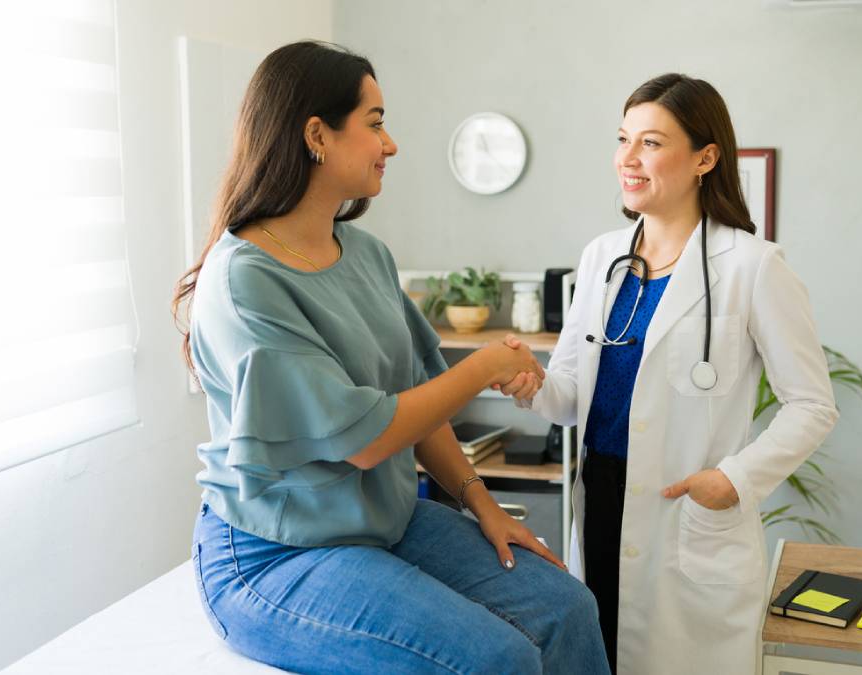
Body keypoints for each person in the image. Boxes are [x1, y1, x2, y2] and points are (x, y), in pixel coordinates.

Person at [171, 41, 610, 675]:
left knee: (567, 606)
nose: (391, 144)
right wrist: (485, 366)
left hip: (385, 522)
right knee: (496, 659)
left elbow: (418, 400)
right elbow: (367, 438)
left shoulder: (367, 255)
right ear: (317, 134)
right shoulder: (245, 279)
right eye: (375, 123)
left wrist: (484, 506)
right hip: (276, 553)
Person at [499, 73, 839, 674]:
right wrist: (532, 383)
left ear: (706, 157)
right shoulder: (602, 257)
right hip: (601, 502)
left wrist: (733, 479)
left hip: (686, 509)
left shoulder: (753, 267)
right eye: (624, 138)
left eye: (651, 143)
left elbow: (812, 405)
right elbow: (571, 396)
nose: (627, 159)